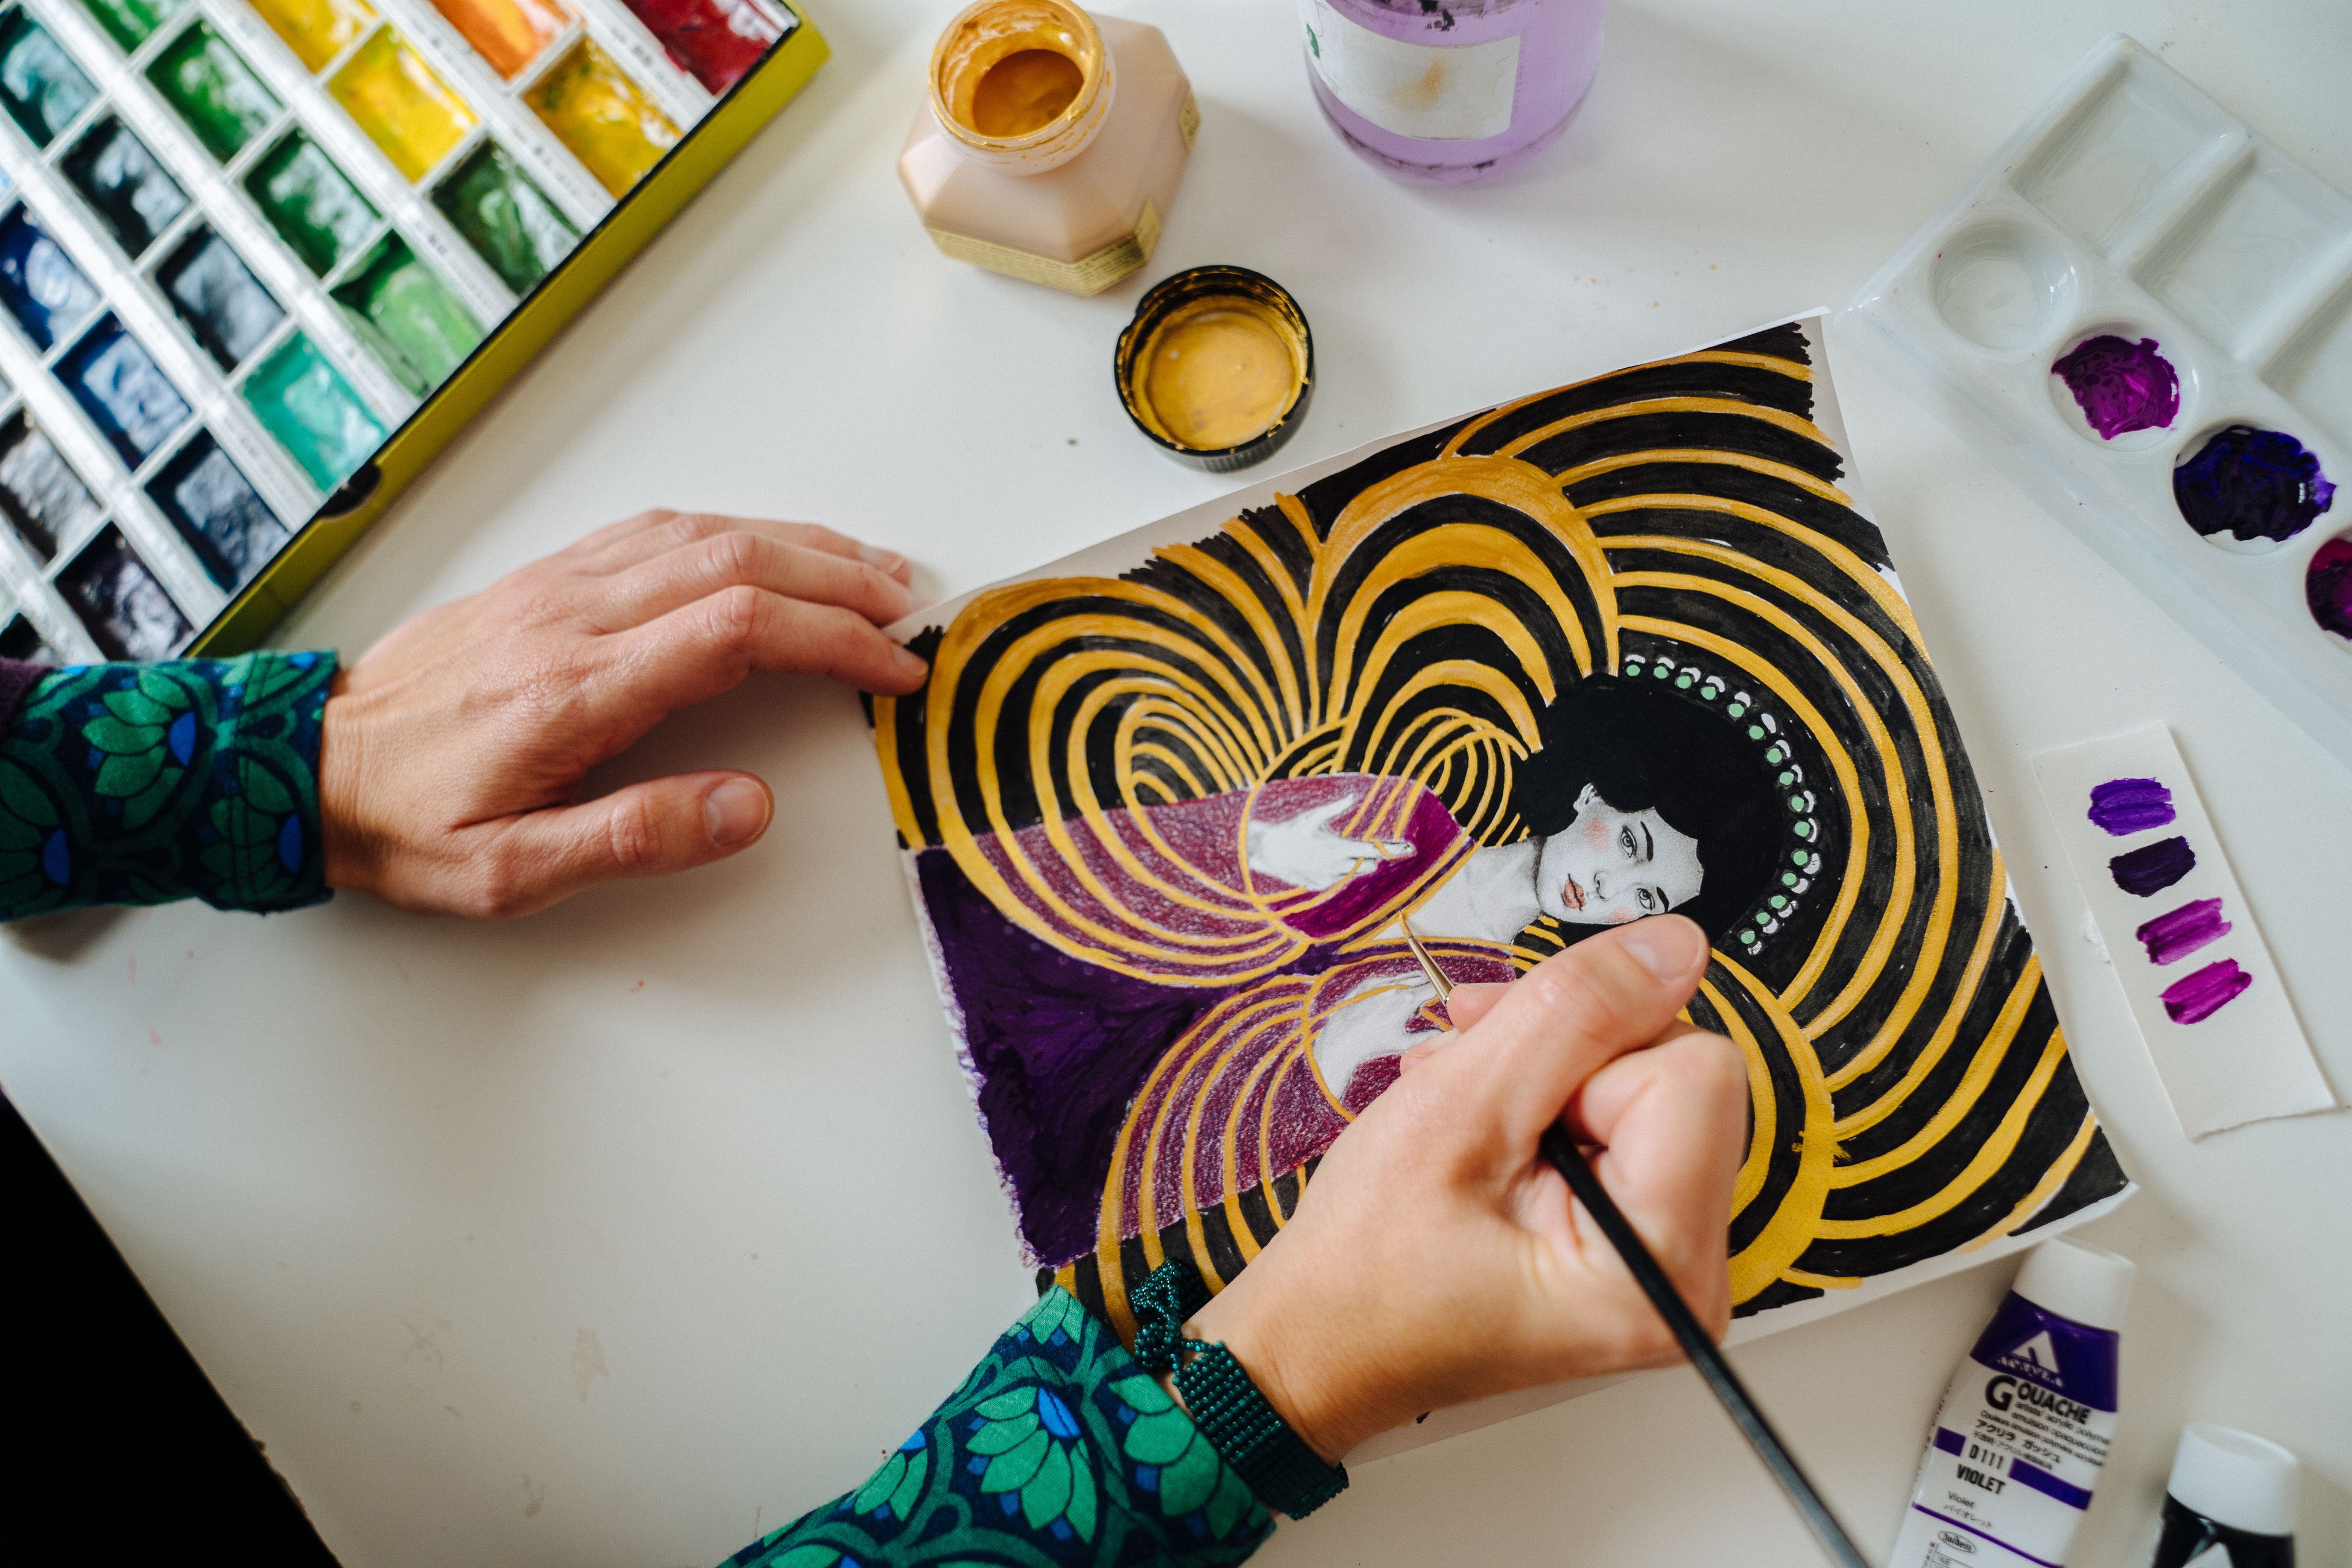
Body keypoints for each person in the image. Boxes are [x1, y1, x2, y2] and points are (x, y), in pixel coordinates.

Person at [1, 512, 1746, 1567]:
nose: (1620, 876)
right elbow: (1194, 882)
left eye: (1653, 881)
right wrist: (1254, 1394)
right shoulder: (1401, 821)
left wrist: (227, 766)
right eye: (1634, 838)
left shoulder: (1489, 952)